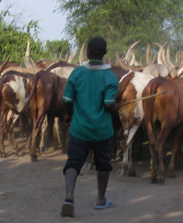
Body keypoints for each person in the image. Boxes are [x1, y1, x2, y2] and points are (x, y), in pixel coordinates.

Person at [60, 37, 118, 217]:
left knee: (73, 162)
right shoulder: (110, 76)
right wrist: (115, 108)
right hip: (102, 131)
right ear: (105, 54)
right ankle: (100, 200)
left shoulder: (77, 74)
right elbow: (109, 105)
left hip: (79, 129)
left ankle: (69, 196)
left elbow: (67, 101)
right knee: (103, 165)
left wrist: (70, 114)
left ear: (88, 53)